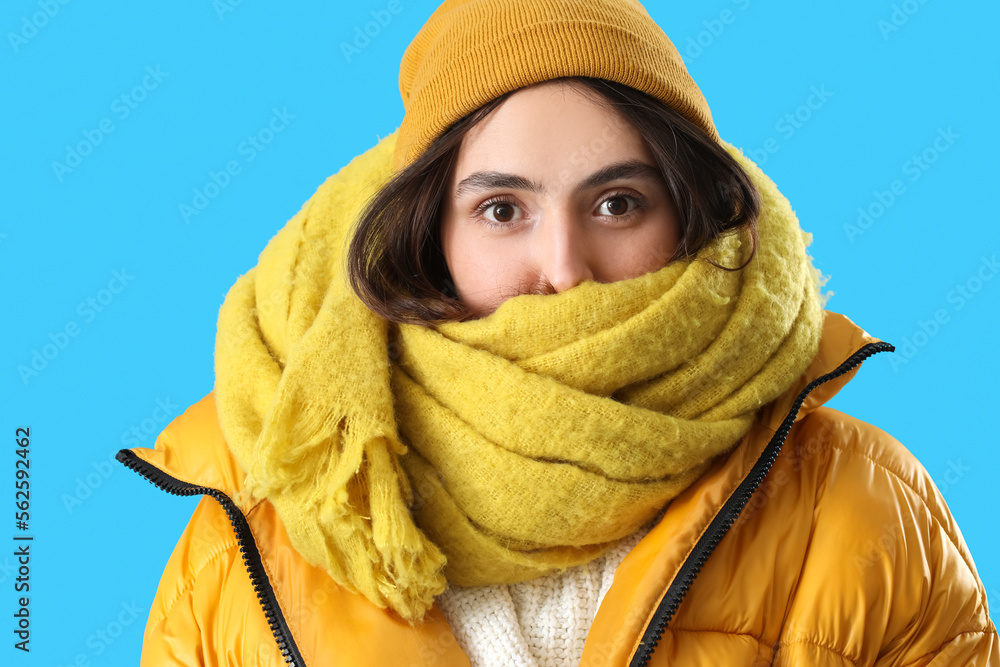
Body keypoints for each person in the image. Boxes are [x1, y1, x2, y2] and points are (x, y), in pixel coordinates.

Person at [116, 0, 999, 665]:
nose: (565, 266)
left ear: (692, 217)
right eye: (503, 208)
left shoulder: (866, 508)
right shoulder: (260, 526)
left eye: (618, 202)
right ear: (431, 236)